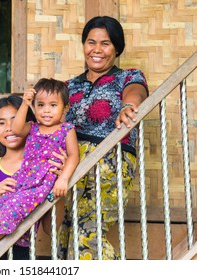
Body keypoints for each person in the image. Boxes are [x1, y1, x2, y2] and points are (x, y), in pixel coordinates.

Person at [57, 16, 149, 260]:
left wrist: (128, 105)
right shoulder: (68, 86)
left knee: (87, 235)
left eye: (105, 43)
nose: (97, 50)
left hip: (109, 161)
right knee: (67, 235)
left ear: (117, 48)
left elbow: (136, 91)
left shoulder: (127, 77)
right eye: (91, 42)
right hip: (72, 165)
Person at [0, 78, 80, 259]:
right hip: (25, 179)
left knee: (12, 206)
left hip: (40, 183)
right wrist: (26, 103)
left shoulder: (66, 129)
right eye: (41, 105)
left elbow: (74, 156)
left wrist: (63, 179)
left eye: (53, 105)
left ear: (65, 109)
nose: (46, 110)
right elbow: (17, 127)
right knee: (0, 206)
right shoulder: (33, 128)